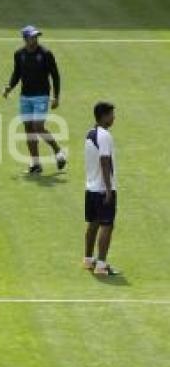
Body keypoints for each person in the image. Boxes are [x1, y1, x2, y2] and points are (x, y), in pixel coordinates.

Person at [2, 25, 67, 174]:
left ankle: (58, 151)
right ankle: (35, 164)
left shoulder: (46, 53)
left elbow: (55, 75)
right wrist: (9, 87)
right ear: (25, 39)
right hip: (25, 97)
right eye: (32, 37)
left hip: (41, 96)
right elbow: (17, 73)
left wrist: (56, 97)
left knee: (38, 126)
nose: (35, 39)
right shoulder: (19, 54)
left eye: (36, 36)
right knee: (29, 130)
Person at [83, 102, 119, 276]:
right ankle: (101, 265)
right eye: (111, 114)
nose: (114, 118)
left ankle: (88, 260)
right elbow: (105, 161)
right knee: (107, 225)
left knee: (93, 223)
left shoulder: (90, 134)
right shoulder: (105, 135)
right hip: (102, 188)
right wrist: (108, 188)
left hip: (90, 188)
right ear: (103, 116)